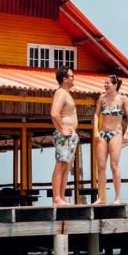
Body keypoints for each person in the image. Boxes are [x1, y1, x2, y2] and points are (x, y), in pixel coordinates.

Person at [93, 74, 128, 204]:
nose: (105, 85)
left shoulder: (123, 99)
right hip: (103, 133)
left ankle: (117, 197)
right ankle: (101, 197)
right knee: (100, 166)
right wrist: (96, 130)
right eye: (104, 83)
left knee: (114, 166)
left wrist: (127, 132)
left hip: (116, 133)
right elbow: (96, 114)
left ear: (115, 85)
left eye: (108, 83)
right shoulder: (102, 98)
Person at [50, 67, 78, 206]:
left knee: (67, 166)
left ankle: (61, 196)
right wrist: (62, 130)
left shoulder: (66, 93)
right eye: (71, 76)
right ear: (65, 79)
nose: (74, 77)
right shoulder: (60, 93)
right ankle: (56, 198)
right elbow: (54, 113)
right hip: (64, 135)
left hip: (70, 136)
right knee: (61, 164)